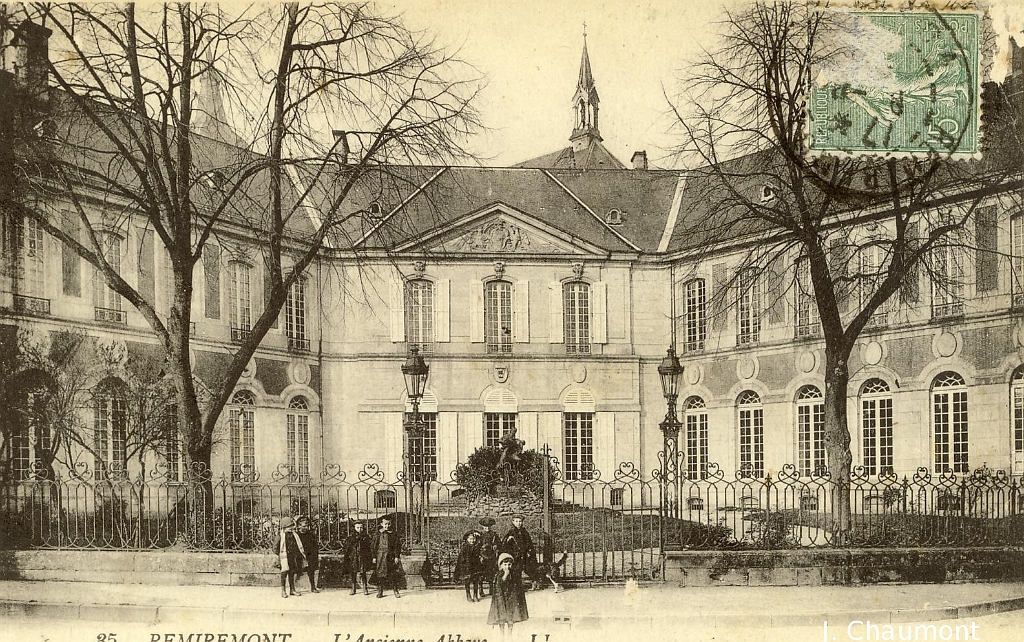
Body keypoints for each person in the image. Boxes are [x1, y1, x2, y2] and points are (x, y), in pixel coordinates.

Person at [487, 552, 528, 638]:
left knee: (510, 617)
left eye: (509, 565)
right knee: (501, 617)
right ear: (501, 565)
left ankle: (509, 633)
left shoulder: (514, 574)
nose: (507, 567)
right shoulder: (499, 575)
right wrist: (505, 574)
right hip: (501, 599)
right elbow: (499, 584)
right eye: (505, 565)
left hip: (511, 598)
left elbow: (516, 585)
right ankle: (502, 634)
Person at [501, 514, 538, 589]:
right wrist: (508, 539)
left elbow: (529, 543)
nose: (519, 523)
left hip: (524, 554)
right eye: (516, 521)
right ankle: (516, 585)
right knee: (516, 570)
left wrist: (529, 551)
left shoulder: (524, 532)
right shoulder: (511, 532)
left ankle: (535, 581)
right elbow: (504, 544)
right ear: (513, 522)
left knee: (528, 568)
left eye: (520, 521)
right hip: (515, 555)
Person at [370, 516, 402, 598]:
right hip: (380, 556)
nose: (387, 526)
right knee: (380, 574)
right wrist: (374, 557)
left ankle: (395, 590)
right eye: (385, 524)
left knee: (392, 574)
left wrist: (396, 556)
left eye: (388, 524)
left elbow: (396, 546)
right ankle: (380, 591)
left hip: (390, 556)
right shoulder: (378, 534)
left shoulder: (393, 534)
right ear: (381, 524)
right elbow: (373, 546)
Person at [276, 516, 307, 598]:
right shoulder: (280, 536)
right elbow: (275, 547)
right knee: (284, 574)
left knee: (292, 573)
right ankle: (283, 590)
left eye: (292, 526)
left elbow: (297, 545)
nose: (291, 528)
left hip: (292, 557)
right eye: (289, 526)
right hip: (284, 557)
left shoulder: (294, 535)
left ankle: (292, 589)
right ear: (284, 527)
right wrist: (280, 554)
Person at [343, 521, 372, 595]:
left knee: (363, 572)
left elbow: (369, 548)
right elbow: (347, 548)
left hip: (362, 557)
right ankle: (353, 588)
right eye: (357, 527)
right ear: (354, 528)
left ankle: (365, 588)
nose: (359, 529)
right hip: (354, 557)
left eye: (361, 527)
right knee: (353, 572)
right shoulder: (351, 537)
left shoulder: (366, 537)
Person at [454, 530, 484, 602]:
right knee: (467, 581)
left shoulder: (477, 546)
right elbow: (461, 558)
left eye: (473, 539)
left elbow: (481, 548)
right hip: (467, 566)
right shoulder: (465, 547)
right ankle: (468, 594)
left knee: (476, 581)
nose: (472, 540)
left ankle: (475, 595)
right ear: (467, 539)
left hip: (476, 566)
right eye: (470, 539)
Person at [295, 516, 321, 593]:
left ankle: (313, 587)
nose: (305, 528)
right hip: (299, 556)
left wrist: (314, 557)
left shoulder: (311, 535)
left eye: (307, 526)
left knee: (311, 571)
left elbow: (315, 546)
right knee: (296, 571)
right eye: (303, 526)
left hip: (310, 556)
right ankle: (293, 588)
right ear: (299, 526)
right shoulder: (297, 535)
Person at [478, 517, 499, 596]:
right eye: (485, 526)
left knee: (491, 572)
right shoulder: (480, 535)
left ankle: (491, 589)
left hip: (491, 556)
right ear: (483, 527)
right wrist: (480, 555)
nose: (487, 528)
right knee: (481, 573)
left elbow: (499, 543)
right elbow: (477, 545)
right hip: (482, 556)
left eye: (489, 526)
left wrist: (496, 546)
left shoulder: (494, 535)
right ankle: (481, 589)